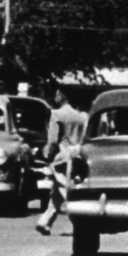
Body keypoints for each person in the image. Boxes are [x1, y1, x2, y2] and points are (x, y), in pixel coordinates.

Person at [35, 90, 87, 235]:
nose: (55, 96)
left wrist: (49, 151)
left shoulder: (56, 114)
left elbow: (54, 139)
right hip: (77, 155)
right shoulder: (82, 117)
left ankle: (80, 222)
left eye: (56, 94)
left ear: (61, 96)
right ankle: (45, 221)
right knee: (57, 190)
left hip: (62, 156)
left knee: (65, 190)